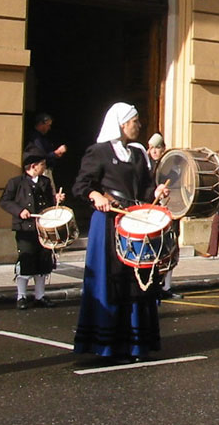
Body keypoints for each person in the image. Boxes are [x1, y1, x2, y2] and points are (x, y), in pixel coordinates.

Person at [72, 103, 169, 360]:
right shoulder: (99, 152)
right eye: (135, 121)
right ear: (122, 124)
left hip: (136, 219)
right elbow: (81, 185)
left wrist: (156, 193)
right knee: (111, 280)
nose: (139, 125)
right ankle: (109, 345)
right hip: (108, 223)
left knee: (137, 279)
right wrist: (95, 195)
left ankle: (137, 344)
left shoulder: (138, 154)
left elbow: (146, 189)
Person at [0, 148, 65, 308]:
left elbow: (49, 202)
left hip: (43, 227)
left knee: (43, 261)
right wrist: (20, 211)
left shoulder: (45, 182)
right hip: (25, 228)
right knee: (26, 260)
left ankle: (40, 296)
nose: (44, 167)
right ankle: (21, 296)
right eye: (42, 164)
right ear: (33, 166)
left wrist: (57, 199)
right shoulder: (16, 182)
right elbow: (4, 201)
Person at [145, 133, 182, 300]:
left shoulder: (170, 166)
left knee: (170, 250)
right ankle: (153, 284)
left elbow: (174, 183)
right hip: (154, 215)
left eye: (157, 147)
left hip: (169, 212)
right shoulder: (145, 166)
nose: (154, 151)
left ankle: (166, 285)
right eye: (151, 148)